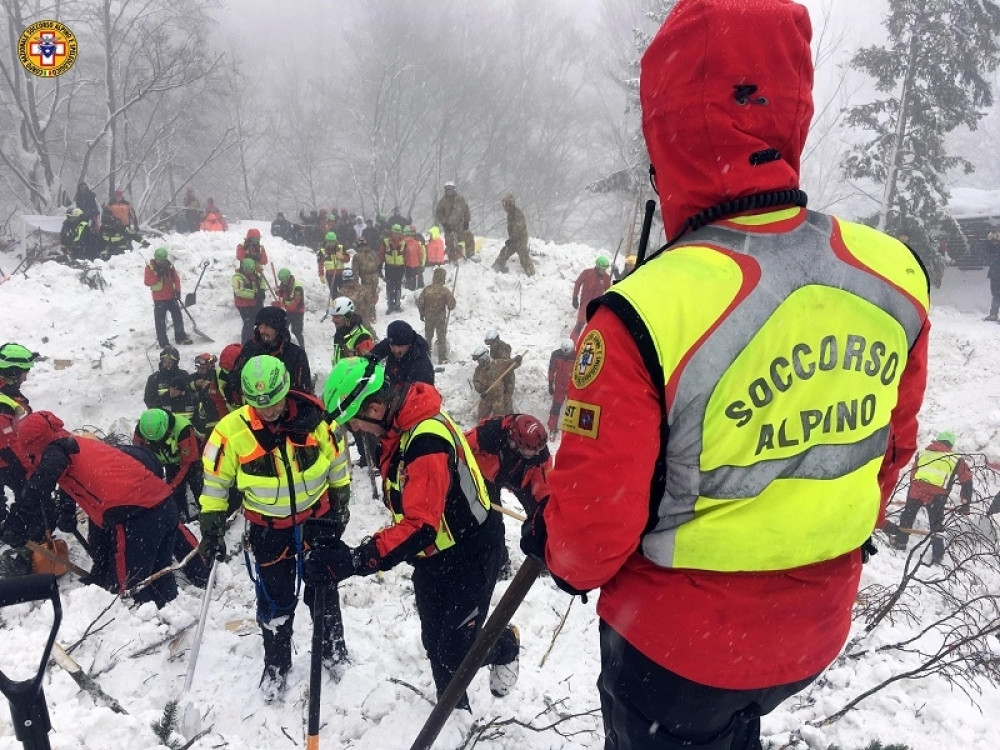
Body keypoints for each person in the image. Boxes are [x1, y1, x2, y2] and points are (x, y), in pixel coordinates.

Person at [518, 2, 931, 748]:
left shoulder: (644, 312)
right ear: (793, 110)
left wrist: (550, 536)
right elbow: (889, 452)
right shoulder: (894, 276)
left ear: (666, 128)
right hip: (815, 630)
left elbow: (588, 544)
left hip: (676, 657)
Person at [311, 358, 520, 709]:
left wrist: (356, 560)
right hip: (432, 555)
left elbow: (421, 526)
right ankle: (453, 714)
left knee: (456, 649)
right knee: (435, 642)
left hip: (470, 551)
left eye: (355, 421)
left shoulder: (425, 441)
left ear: (375, 408)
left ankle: (505, 647)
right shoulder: (398, 427)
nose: (356, 429)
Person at [198, 355, 352, 701]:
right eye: (259, 404)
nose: (269, 411)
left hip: (317, 519)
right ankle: (277, 665)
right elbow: (216, 481)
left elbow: (337, 459)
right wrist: (212, 524)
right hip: (269, 528)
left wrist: (341, 498)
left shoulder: (315, 420)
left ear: (286, 390)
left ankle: (333, 649)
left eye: (274, 402)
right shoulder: (230, 433)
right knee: (275, 600)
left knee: (324, 590)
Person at [2, 411, 179, 607]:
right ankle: (169, 613)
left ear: (34, 444)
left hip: (136, 515)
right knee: (159, 573)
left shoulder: (54, 451)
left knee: (128, 587)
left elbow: (43, 480)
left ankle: (139, 619)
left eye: (30, 452)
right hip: (162, 505)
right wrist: (67, 511)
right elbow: (66, 475)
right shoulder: (75, 444)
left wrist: (17, 521)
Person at [466, 413, 552, 578]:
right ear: (514, 442)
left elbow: (544, 488)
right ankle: (500, 562)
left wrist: (541, 513)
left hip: (521, 479)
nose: (536, 454)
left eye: (538, 451)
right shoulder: (489, 433)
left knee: (543, 516)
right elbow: (459, 448)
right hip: (487, 475)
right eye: (530, 451)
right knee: (492, 521)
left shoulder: (539, 453)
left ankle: (544, 556)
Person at [883, 431, 973, 564]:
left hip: (917, 490)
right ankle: (937, 555)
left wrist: (916, 488)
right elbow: (967, 480)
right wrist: (966, 503)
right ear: (951, 445)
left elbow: (913, 473)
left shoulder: (923, 453)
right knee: (936, 525)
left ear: (937, 441)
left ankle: (901, 541)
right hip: (938, 495)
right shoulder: (956, 459)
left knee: (908, 515)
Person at [226, 306, 312, 405]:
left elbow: (302, 392)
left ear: (278, 328)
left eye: (267, 326)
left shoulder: (296, 354)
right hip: (254, 406)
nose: (262, 331)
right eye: (260, 326)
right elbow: (235, 378)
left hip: (284, 408)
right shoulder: (250, 348)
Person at [134, 408, 204, 522]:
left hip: (191, 460)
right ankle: (179, 516)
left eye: (158, 440)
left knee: (197, 484)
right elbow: (139, 456)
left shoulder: (182, 429)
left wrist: (173, 486)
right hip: (169, 462)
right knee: (174, 494)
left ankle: (205, 512)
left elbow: (188, 463)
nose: (155, 443)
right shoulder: (141, 430)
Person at [0, 344, 37, 531]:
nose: (25, 377)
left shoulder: (7, 394)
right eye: (24, 372)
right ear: (13, 373)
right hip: (5, 459)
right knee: (30, 496)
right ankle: (17, 535)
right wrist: (29, 470)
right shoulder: (5, 405)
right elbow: (10, 444)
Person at [144, 247, 193, 347]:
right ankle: (163, 342)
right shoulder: (150, 268)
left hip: (171, 296)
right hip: (159, 299)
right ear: (155, 258)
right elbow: (147, 282)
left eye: (162, 260)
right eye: (159, 260)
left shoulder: (170, 267)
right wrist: (158, 275)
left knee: (178, 317)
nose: (160, 262)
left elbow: (176, 279)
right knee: (160, 322)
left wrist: (177, 291)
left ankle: (180, 337)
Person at [369, 320, 434, 387]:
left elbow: (423, 390)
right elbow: (373, 354)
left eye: (400, 346)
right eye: (392, 345)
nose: (396, 350)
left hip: (409, 391)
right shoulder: (392, 342)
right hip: (390, 385)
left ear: (409, 344)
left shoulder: (421, 364)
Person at [417, 267, 457, 364]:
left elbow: (420, 302)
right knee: (441, 338)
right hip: (440, 318)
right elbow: (452, 304)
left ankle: (426, 356)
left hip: (429, 317)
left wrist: (422, 314)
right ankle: (442, 357)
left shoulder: (427, 289)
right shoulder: (444, 290)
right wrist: (450, 306)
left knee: (428, 337)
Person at [571, 256, 613, 341]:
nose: (603, 271)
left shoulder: (606, 278)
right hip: (585, 303)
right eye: (602, 269)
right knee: (580, 323)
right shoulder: (587, 273)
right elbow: (578, 283)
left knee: (593, 326)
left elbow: (609, 291)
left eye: (605, 269)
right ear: (597, 266)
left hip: (596, 305)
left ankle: (586, 343)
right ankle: (572, 342)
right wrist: (575, 297)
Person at [189, 352, 229, 437]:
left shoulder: (216, 377)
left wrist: (209, 386)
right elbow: (185, 388)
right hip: (200, 420)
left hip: (216, 418)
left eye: (202, 368)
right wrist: (195, 384)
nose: (199, 371)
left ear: (209, 367)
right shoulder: (193, 377)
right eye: (198, 368)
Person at [492, 194, 534, 276]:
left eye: (506, 204)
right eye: (504, 204)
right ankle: (496, 267)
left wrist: (511, 240)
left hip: (521, 240)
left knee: (524, 257)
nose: (504, 206)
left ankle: (531, 274)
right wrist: (511, 240)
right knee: (504, 252)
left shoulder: (517, 214)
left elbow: (519, 230)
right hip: (513, 240)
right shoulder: (510, 214)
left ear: (511, 204)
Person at [144, 346, 193, 415]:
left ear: (175, 363)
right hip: (163, 416)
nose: (167, 365)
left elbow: (191, 395)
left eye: (170, 362)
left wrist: (181, 395)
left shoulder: (183, 375)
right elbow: (149, 401)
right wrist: (166, 398)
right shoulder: (154, 378)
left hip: (183, 415)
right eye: (165, 362)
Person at [434, 181, 472, 263]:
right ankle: (452, 259)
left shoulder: (460, 200)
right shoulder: (442, 202)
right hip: (448, 226)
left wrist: (466, 221)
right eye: (447, 189)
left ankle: (470, 256)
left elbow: (466, 210)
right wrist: (444, 223)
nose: (449, 191)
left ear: (454, 189)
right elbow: (439, 214)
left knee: (467, 238)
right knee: (449, 242)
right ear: (445, 190)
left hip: (460, 225)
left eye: (451, 189)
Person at [330, 297, 374, 366]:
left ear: (347, 316)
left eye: (337, 317)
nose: (333, 320)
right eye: (333, 317)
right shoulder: (340, 334)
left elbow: (369, 365)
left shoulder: (363, 337)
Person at [471, 346, 512, 420]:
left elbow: (510, 363)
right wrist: (481, 389)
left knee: (499, 417)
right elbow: (476, 381)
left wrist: (517, 359)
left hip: (498, 398)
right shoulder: (478, 370)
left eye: (480, 360)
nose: (479, 362)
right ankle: (483, 426)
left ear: (485, 358)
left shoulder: (497, 364)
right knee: (482, 416)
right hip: (486, 397)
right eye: (478, 360)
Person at [546, 339, 575, 438]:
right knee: (556, 407)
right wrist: (550, 384)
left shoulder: (576, 355)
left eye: (568, 352)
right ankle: (552, 428)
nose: (565, 354)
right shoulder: (556, 354)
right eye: (564, 352)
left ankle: (572, 430)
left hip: (572, 385)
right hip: (559, 385)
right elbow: (551, 370)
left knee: (573, 407)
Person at [233, 257, 266, 344]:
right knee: (249, 323)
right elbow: (239, 291)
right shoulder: (237, 278)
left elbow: (261, 281)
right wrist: (254, 295)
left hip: (254, 302)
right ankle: (246, 343)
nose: (251, 273)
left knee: (262, 319)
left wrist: (262, 290)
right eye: (249, 271)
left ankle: (260, 339)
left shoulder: (254, 274)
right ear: (244, 269)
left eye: (252, 271)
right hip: (243, 305)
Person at [353, 238, 382, 323]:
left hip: (366, 278)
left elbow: (355, 270)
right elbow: (378, 262)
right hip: (375, 276)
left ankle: (370, 315)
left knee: (367, 296)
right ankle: (372, 314)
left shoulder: (357, 256)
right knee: (373, 294)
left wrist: (355, 282)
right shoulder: (372, 253)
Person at [275, 268, 306, 348]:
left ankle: (302, 348)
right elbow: (283, 293)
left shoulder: (297, 287)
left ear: (288, 278)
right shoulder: (284, 284)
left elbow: (297, 303)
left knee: (297, 331)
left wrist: (282, 305)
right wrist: (279, 292)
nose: (283, 283)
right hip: (289, 311)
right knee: (283, 327)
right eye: (282, 281)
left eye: (284, 281)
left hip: (298, 311)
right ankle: (283, 345)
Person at [379, 225, 407, 314]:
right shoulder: (386, 242)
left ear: (400, 233)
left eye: (398, 233)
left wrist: (407, 266)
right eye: (395, 233)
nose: (396, 235)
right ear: (392, 232)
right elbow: (381, 254)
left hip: (400, 267)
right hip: (389, 267)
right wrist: (379, 266)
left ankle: (397, 305)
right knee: (389, 286)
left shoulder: (403, 243)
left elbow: (406, 255)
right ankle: (390, 305)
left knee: (398, 286)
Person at [318, 231, 349, 298]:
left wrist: (342, 257)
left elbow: (347, 259)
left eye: (332, 242)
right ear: (326, 241)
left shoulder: (341, 248)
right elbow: (320, 264)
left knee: (343, 292)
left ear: (335, 241)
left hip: (341, 274)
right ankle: (335, 302)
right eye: (329, 242)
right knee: (334, 293)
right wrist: (321, 275)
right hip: (330, 275)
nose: (331, 244)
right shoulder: (323, 251)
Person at [403, 226, 426, 291]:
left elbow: (403, 254)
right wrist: (421, 261)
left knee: (410, 275)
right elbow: (420, 254)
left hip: (408, 263)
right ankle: (419, 286)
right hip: (416, 263)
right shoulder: (416, 242)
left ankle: (411, 287)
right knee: (415, 275)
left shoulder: (404, 242)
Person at [984, 229, 1000, 321]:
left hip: (996, 273)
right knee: (996, 294)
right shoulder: (995, 245)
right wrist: (989, 240)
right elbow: (988, 251)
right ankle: (993, 314)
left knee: (997, 294)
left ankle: (993, 314)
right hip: (995, 274)